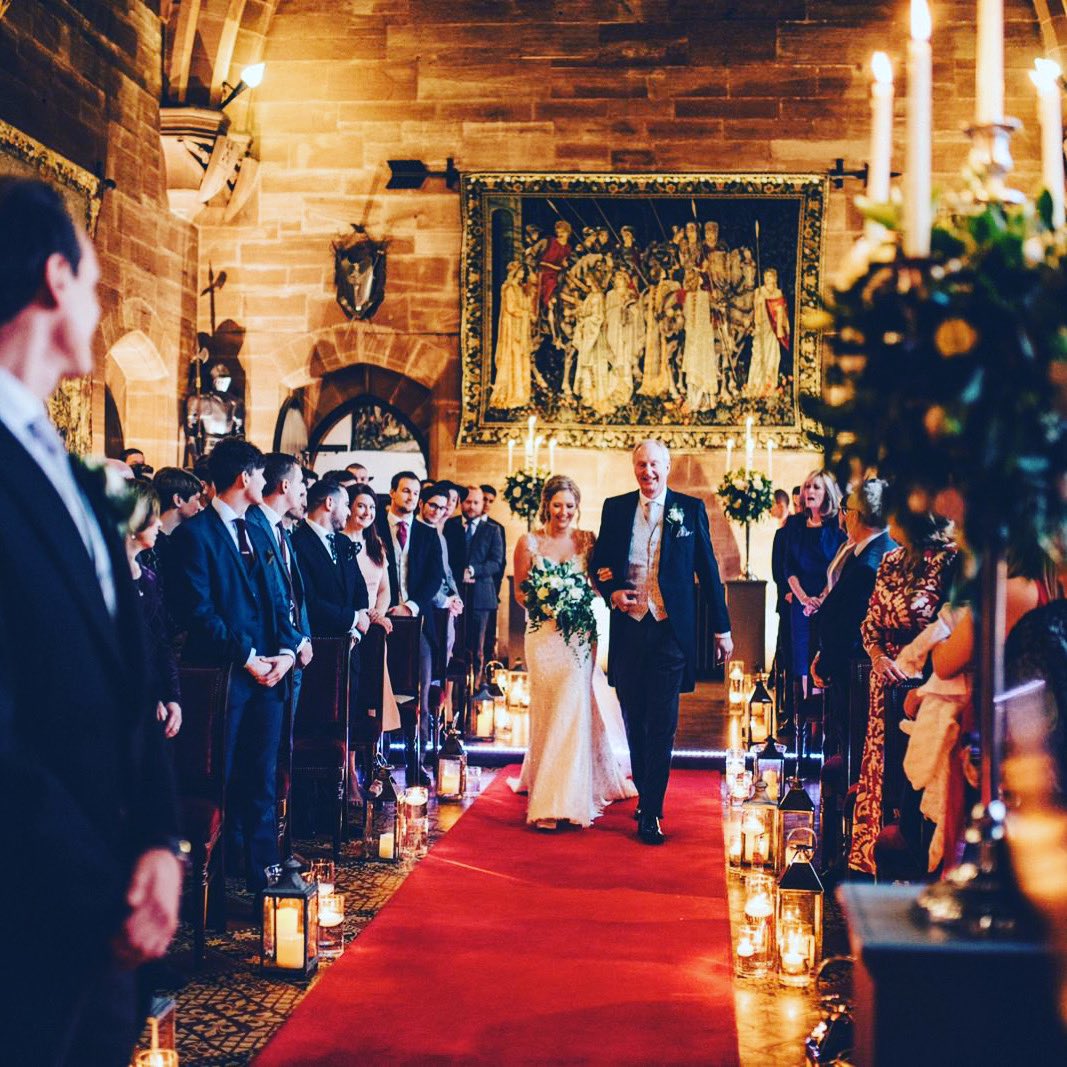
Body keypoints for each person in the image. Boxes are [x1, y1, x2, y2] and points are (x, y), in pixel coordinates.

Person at [0, 177, 182, 1065]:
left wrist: (158, 838)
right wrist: (99, 891)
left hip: (107, 926)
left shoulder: (69, 475)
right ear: (51, 278)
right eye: (93, 275)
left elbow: (124, 683)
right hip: (29, 916)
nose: (104, 294)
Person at [166, 438, 303, 894]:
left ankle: (264, 879)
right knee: (221, 780)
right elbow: (199, 613)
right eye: (261, 475)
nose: (264, 483)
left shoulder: (260, 529)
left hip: (270, 679)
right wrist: (246, 658)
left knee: (262, 781)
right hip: (224, 679)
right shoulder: (195, 535)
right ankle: (215, 885)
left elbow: (279, 598)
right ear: (245, 478)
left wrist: (285, 653)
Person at [592, 440, 732, 845]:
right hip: (631, 628)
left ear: (667, 467)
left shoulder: (688, 509)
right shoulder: (616, 508)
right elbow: (601, 563)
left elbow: (708, 569)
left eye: (654, 464)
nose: (647, 471)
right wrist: (613, 591)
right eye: (641, 464)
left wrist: (721, 629)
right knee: (635, 720)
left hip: (671, 631)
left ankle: (651, 811)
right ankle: (646, 795)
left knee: (663, 723)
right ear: (634, 468)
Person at [510, 475, 636, 829]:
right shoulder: (529, 542)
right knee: (549, 711)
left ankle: (559, 801)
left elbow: (598, 581)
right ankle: (548, 784)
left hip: (579, 636)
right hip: (543, 637)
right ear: (546, 506)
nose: (563, 512)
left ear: (577, 509)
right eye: (557, 505)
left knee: (573, 707)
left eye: (569, 506)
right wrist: (546, 603)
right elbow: (521, 591)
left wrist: (606, 581)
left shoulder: (586, 541)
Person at [848, 505, 958, 877]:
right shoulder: (892, 559)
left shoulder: (952, 561)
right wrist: (878, 657)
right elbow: (870, 623)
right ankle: (874, 867)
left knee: (913, 788)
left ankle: (911, 873)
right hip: (886, 682)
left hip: (929, 682)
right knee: (883, 776)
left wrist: (919, 672)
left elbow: (952, 628)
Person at [376, 471, 444, 783]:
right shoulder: (375, 527)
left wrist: (411, 605)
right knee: (383, 694)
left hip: (417, 623)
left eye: (415, 492)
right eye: (405, 491)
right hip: (382, 621)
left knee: (421, 692)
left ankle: (418, 763)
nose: (411, 497)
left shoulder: (428, 534)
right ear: (392, 493)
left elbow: (434, 578)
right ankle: (381, 762)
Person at [344, 484, 401, 780]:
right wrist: (361, 615)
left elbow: (385, 589)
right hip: (349, 626)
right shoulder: (339, 542)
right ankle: (351, 771)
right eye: (361, 506)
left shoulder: (376, 545)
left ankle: (373, 764)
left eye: (371, 508)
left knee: (370, 701)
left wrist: (377, 612)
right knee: (351, 700)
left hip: (372, 626)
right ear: (349, 507)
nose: (366, 512)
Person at [125, 480, 182, 739]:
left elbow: (161, 642)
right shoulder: (99, 577)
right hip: (123, 702)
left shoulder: (148, 576)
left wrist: (172, 698)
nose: (160, 524)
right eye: (153, 516)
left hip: (155, 698)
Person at [785, 470, 846, 701]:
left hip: (829, 600)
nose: (810, 491)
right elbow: (788, 567)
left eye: (816, 487)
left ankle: (822, 717)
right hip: (801, 602)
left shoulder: (836, 527)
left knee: (823, 653)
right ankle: (803, 710)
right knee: (800, 658)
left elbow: (840, 566)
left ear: (827, 493)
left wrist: (822, 598)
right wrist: (803, 598)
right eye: (807, 486)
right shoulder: (795, 523)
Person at [444, 485, 505, 689]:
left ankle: (476, 688)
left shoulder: (493, 530)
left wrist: (473, 570)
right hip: (455, 595)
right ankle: (455, 691)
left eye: (476, 502)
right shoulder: (450, 526)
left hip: (481, 597)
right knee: (454, 644)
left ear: (482, 505)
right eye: (468, 502)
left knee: (477, 646)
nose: (471, 506)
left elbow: (497, 562)